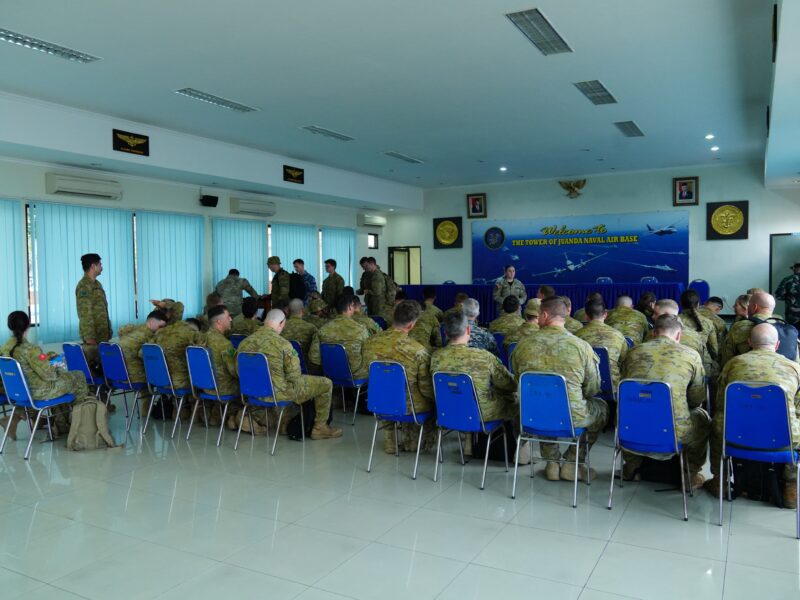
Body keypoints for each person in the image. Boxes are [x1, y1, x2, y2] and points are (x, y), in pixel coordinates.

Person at [511, 297, 607, 481]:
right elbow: (593, 387)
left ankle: (552, 463)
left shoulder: (522, 345)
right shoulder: (581, 347)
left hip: (532, 413)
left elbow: (519, 381)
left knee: (543, 405)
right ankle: (572, 461)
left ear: (545, 315)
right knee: (602, 409)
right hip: (572, 415)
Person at [705, 323, 800, 507]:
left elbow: (721, 401)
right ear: (778, 344)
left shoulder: (733, 364)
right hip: (782, 436)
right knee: (794, 425)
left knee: (716, 423)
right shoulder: (795, 368)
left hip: (736, 433)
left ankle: (720, 481)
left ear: (749, 342)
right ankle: (791, 486)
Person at [621, 314, 710, 487]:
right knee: (703, 418)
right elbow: (697, 398)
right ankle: (690, 473)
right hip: (673, 429)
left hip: (632, 425)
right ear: (678, 335)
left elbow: (626, 389)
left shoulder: (633, 352)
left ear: (653, 333)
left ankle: (631, 466)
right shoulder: (690, 356)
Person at [237, 309, 342, 439]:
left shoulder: (244, 343)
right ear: (281, 323)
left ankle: (253, 418)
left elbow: (238, 371)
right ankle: (320, 427)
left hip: (253, 392)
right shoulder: (283, 345)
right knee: (326, 383)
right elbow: (294, 376)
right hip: (278, 394)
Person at [0, 311, 91, 438]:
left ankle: (61, 424)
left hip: (18, 392)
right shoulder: (31, 350)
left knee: (66, 380)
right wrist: (57, 367)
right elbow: (50, 375)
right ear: (28, 325)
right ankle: (80, 427)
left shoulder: (4, 348)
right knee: (78, 376)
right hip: (38, 392)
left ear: (9, 326)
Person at [362, 300, 434, 453]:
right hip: (410, 407)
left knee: (387, 388)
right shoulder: (418, 351)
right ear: (411, 325)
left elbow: (366, 373)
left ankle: (390, 440)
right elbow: (426, 389)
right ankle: (414, 443)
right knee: (430, 398)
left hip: (379, 401)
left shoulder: (369, 343)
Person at [431, 312, 517, 423]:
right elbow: (509, 384)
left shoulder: (435, 357)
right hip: (481, 413)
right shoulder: (484, 356)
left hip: (448, 410)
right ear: (468, 330)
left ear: (445, 333)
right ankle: (510, 439)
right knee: (515, 398)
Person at [117, 309, 169, 415]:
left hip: (117, 375)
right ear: (150, 322)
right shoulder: (148, 336)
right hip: (134, 377)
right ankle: (149, 410)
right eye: (160, 327)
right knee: (162, 375)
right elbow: (143, 355)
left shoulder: (132, 331)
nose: (161, 330)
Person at [309, 295, 369, 378]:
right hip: (355, 374)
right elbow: (368, 353)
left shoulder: (323, 329)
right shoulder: (361, 329)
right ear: (350, 306)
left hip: (330, 373)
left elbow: (314, 358)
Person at [575, 300, 628, 391]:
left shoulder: (577, 336)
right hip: (613, 386)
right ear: (605, 314)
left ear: (586, 316)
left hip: (586, 388)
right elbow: (624, 361)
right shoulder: (618, 335)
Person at [720, 292, 779, 366]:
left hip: (744, 372)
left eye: (749, 305)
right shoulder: (787, 329)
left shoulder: (739, 327)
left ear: (754, 307)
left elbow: (726, 356)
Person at [75, 253, 111, 367]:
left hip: (102, 335)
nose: (101, 267)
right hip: (93, 338)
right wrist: (89, 337)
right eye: (100, 264)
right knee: (94, 369)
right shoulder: (84, 286)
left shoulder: (97, 284)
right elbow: (85, 313)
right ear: (93, 266)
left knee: (104, 367)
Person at [678, 289, 719, 370]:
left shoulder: (673, 320)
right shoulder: (708, 323)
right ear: (698, 304)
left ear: (681, 304)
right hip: (701, 363)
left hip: (678, 360)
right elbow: (714, 350)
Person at [775, 262, 800, 328]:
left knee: (793, 334)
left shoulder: (787, 280)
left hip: (792, 316)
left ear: (795, 268)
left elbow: (779, 296)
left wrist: (790, 298)